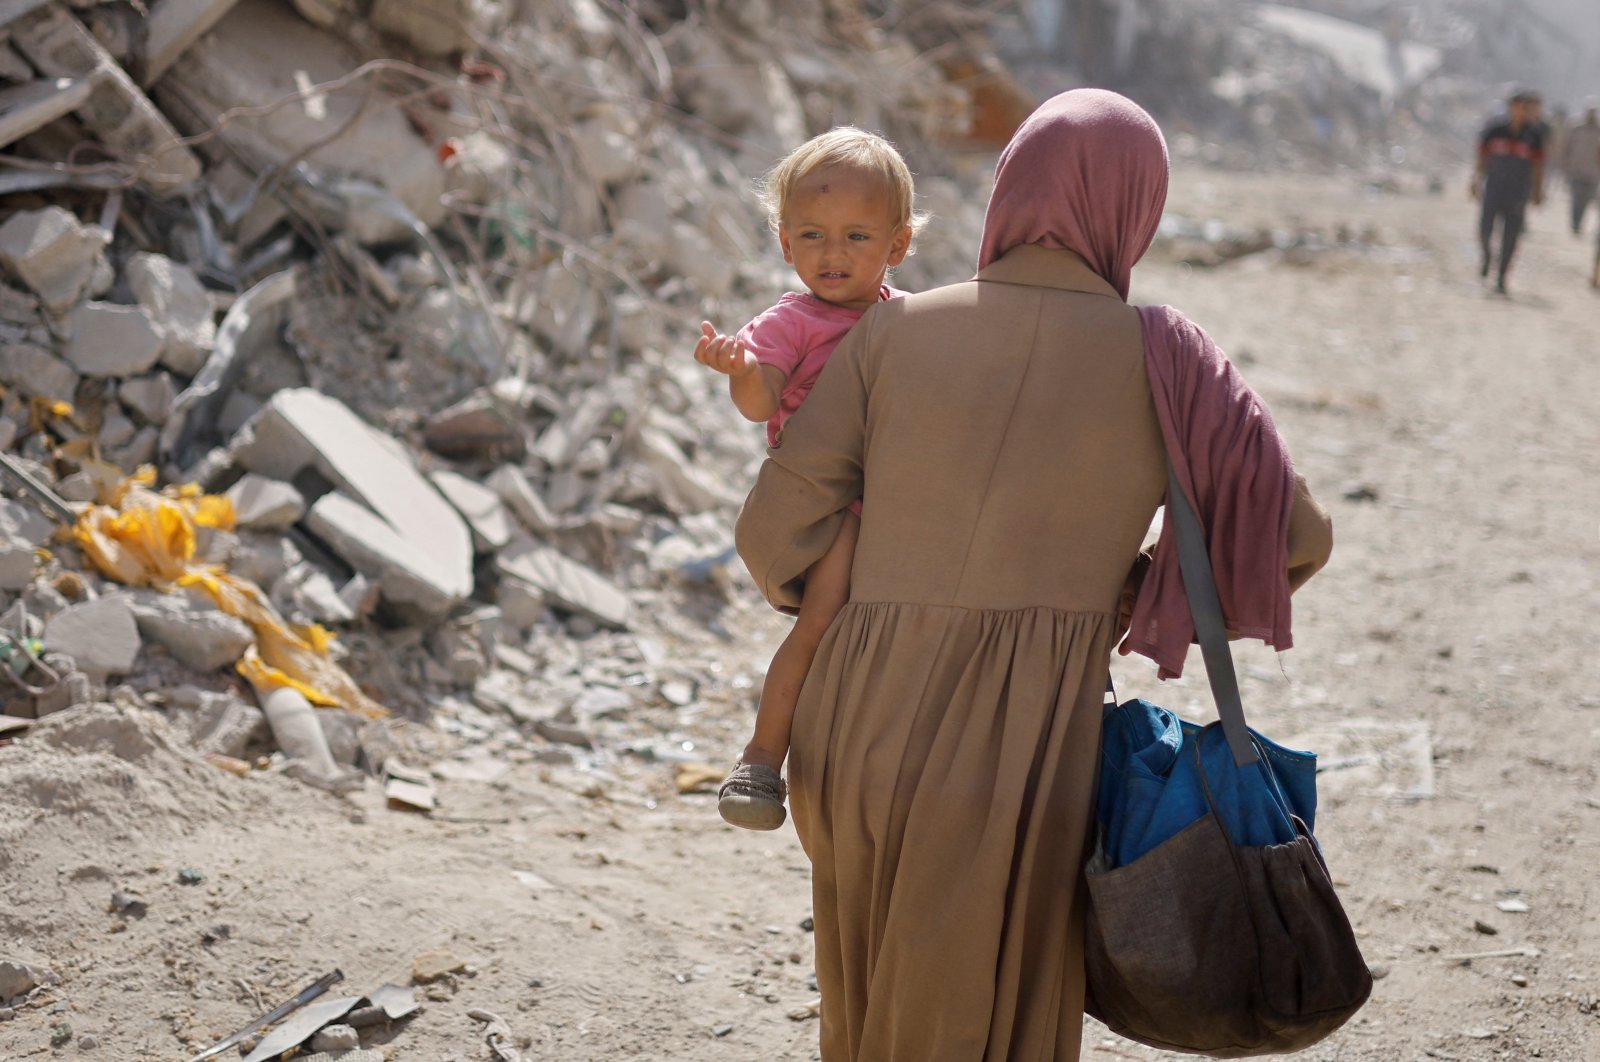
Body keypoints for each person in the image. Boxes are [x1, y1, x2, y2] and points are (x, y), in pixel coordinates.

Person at [734, 89, 1333, 1060]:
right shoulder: (1166, 358)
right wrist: (1124, 602)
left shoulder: (890, 332)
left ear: (1009, 189)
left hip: (849, 717)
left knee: (865, 1008)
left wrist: (870, 598)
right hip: (1024, 739)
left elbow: (774, 536)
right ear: (1135, 207)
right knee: (992, 1014)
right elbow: (1291, 538)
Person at [693, 127, 923, 831]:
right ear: (786, 245)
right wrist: (741, 374)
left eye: (857, 236)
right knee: (821, 621)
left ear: (897, 245)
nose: (833, 254)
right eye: (813, 236)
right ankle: (762, 759)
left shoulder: (911, 319)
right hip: (837, 507)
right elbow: (763, 400)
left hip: (906, 500)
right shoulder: (792, 322)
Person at [1473, 89, 1546, 295]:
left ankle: (1502, 276)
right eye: (1517, 107)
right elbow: (1482, 157)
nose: (1521, 111)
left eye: (1525, 108)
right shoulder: (1495, 130)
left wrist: (1539, 191)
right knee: (1485, 229)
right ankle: (1487, 257)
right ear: (1510, 107)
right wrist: (1475, 181)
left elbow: (1538, 165)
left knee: (1511, 236)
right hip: (1494, 188)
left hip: (1518, 193)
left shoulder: (1534, 135)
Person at [1562, 104, 1600, 235]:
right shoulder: (1577, 128)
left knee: (1586, 200)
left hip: (1593, 173)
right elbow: (1568, 147)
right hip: (1577, 170)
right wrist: (1566, 164)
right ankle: (1574, 222)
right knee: (1576, 199)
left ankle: (1579, 222)